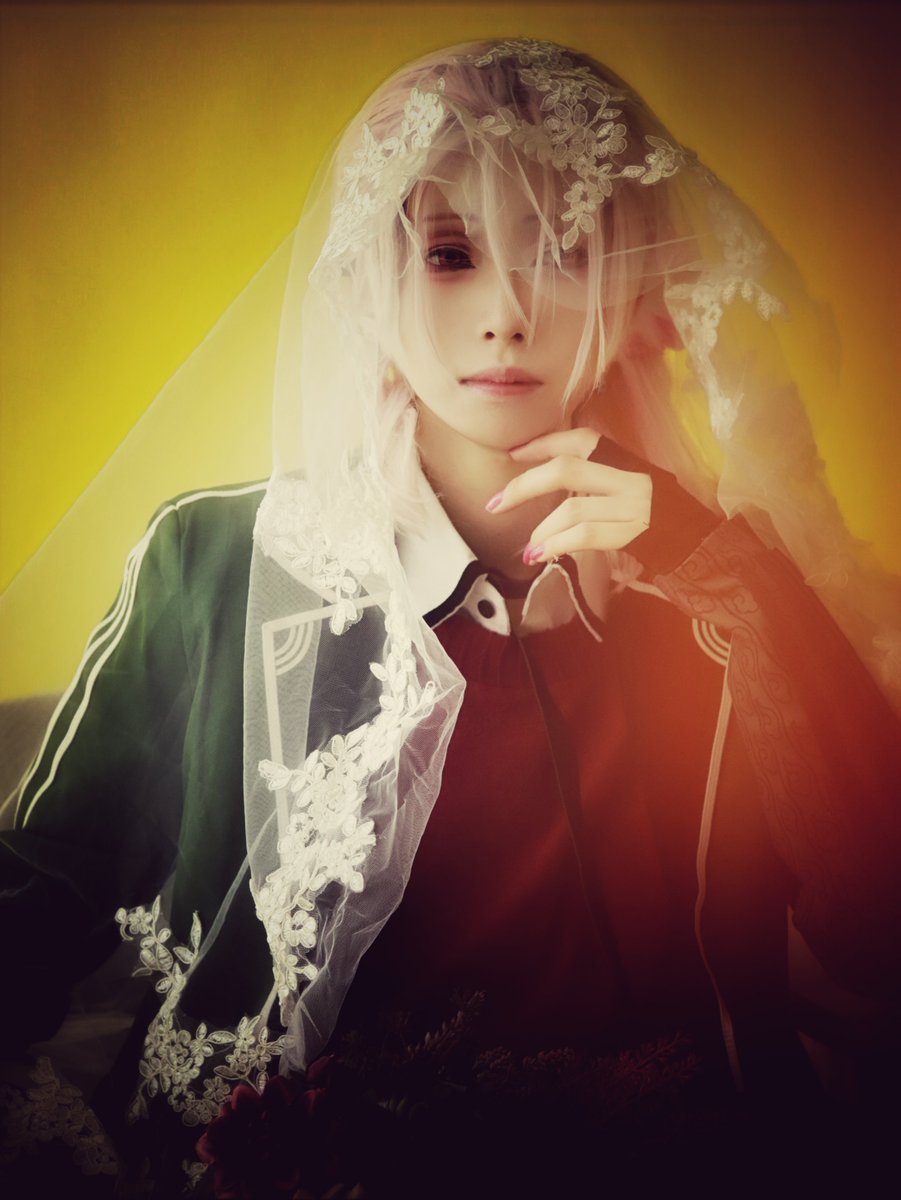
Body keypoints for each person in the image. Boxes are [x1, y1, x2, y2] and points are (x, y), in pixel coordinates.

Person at [2, 37, 900, 1198]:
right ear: (371, 283)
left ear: (637, 285)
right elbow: (44, 889)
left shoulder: (718, 582)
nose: (507, 315)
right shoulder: (219, 560)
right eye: (448, 254)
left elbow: (870, 931)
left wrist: (718, 571)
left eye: (563, 251)